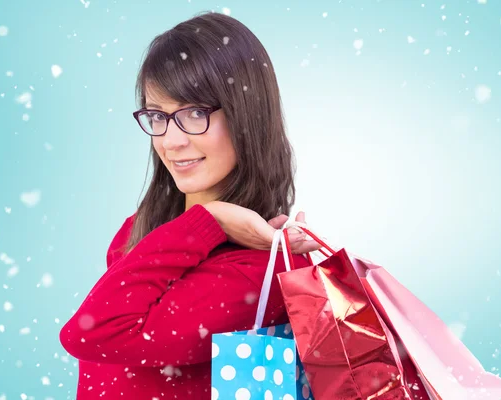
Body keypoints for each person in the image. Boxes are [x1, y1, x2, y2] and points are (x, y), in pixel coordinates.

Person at [59, 11, 321, 399]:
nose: (171, 141)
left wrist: (209, 220)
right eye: (157, 116)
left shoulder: (260, 270)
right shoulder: (139, 230)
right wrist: (203, 223)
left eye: (195, 113)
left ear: (247, 115)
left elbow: (91, 331)